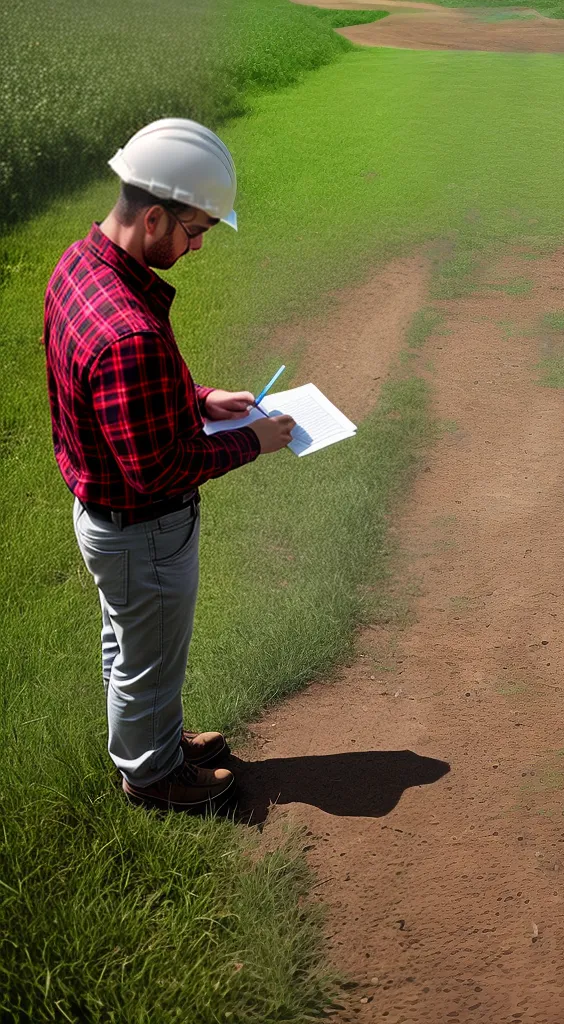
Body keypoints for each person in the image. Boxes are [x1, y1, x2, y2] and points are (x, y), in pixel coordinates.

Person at [43, 119, 295, 812]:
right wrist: (254, 440)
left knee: (133, 649)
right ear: (154, 217)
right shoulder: (128, 332)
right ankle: (151, 778)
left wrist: (202, 397)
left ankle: (153, 740)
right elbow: (161, 467)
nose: (200, 244)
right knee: (147, 658)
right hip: (144, 527)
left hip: (106, 517)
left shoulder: (79, 266)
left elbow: (121, 398)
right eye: (196, 230)